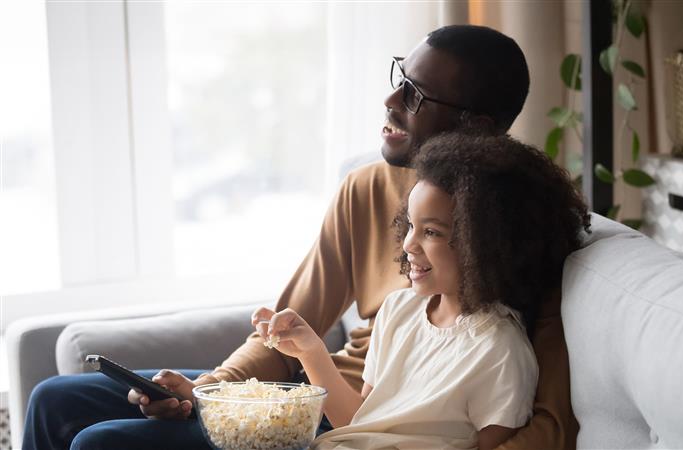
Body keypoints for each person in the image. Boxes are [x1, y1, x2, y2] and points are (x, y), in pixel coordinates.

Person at [23, 24, 580, 449]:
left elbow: (548, 424)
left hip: (356, 428)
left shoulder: (515, 228)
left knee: (96, 442)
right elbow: (289, 324)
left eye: (414, 95)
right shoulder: (367, 189)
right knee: (53, 399)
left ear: (475, 127)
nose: (390, 102)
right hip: (325, 399)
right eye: (398, 78)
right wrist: (212, 389)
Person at [251, 132, 590, 450]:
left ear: (487, 246)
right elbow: (360, 423)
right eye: (411, 225)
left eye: (431, 232)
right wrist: (311, 352)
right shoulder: (399, 309)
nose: (409, 243)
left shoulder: (499, 350)